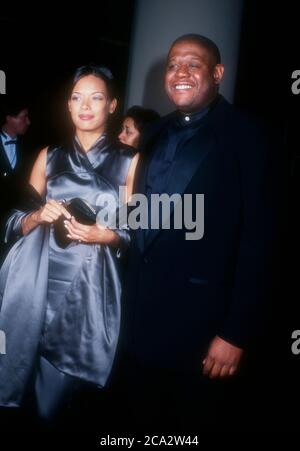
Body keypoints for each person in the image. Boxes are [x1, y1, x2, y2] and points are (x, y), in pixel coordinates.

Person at [120, 34, 282, 431]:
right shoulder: (154, 131)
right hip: (139, 324)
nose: (181, 73)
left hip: (204, 332)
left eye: (194, 64)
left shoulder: (251, 135)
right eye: (174, 64)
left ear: (217, 73)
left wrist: (235, 333)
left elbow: (260, 242)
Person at [0, 65, 138, 422]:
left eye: (96, 97)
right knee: (26, 372)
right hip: (38, 278)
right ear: (67, 105)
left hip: (89, 282)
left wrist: (104, 234)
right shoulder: (49, 155)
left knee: (61, 388)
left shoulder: (129, 160)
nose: (85, 105)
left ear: (112, 105)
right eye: (77, 97)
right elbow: (15, 222)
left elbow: (134, 231)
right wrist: (36, 216)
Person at [0, 97, 31, 233]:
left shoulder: (31, 146)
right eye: (23, 117)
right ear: (9, 119)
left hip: (18, 219)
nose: (28, 122)